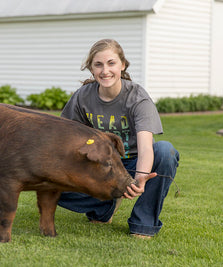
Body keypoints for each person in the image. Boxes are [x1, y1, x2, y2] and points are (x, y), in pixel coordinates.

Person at [57, 39, 180, 239]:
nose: (105, 70)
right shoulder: (82, 97)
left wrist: (139, 178)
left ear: (122, 65)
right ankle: (104, 206)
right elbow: (66, 137)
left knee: (166, 151)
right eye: (98, 64)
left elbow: (146, 148)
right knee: (50, 178)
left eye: (111, 63)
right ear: (91, 69)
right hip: (100, 165)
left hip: (133, 162)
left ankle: (143, 224)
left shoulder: (137, 97)